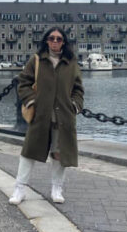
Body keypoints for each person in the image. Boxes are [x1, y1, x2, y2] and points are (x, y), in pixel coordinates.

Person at [9, 27, 84, 205]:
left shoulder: (71, 63)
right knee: (28, 153)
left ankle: (57, 188)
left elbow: (78, 90)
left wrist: (74, 105)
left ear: (64, 42)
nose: (55, 42)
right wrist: (31, 101)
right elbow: (23, 83)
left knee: (60, 154)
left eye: (59, 39)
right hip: (40, 115)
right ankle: (19, 189)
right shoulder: (36, 60)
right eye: (52, 38)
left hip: (63, 117)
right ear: (46, 40)